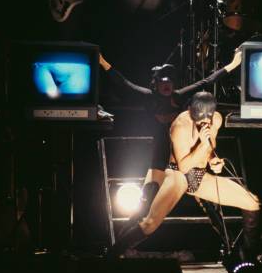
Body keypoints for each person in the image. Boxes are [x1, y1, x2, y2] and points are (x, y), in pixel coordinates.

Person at [111, 91, 261, 259]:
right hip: (178, 174)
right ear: (190, 110)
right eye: (198, 119)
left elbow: (210, 149)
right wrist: (203, 146)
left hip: (199, 175)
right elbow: (184, 166)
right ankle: (111, 256)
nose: (203, 123)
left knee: (252, 202)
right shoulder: (180, 125)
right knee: (150, 223)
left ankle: (249, 258)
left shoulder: (216, 119)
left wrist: (214, 161)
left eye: (206, 119)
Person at [99, 50, 243, 218]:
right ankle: (129, 239)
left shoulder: (180, 96)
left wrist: (233, 65)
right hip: (161, 153)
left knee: (207, 203)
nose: (166, 85)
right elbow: (123, 83)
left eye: (169, 82)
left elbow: (207, 81)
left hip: (184, 155)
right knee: (147, 199)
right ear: (156, 84)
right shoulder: (148, 97)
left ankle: (230, 243)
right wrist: (102, 61)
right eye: (162, 82)